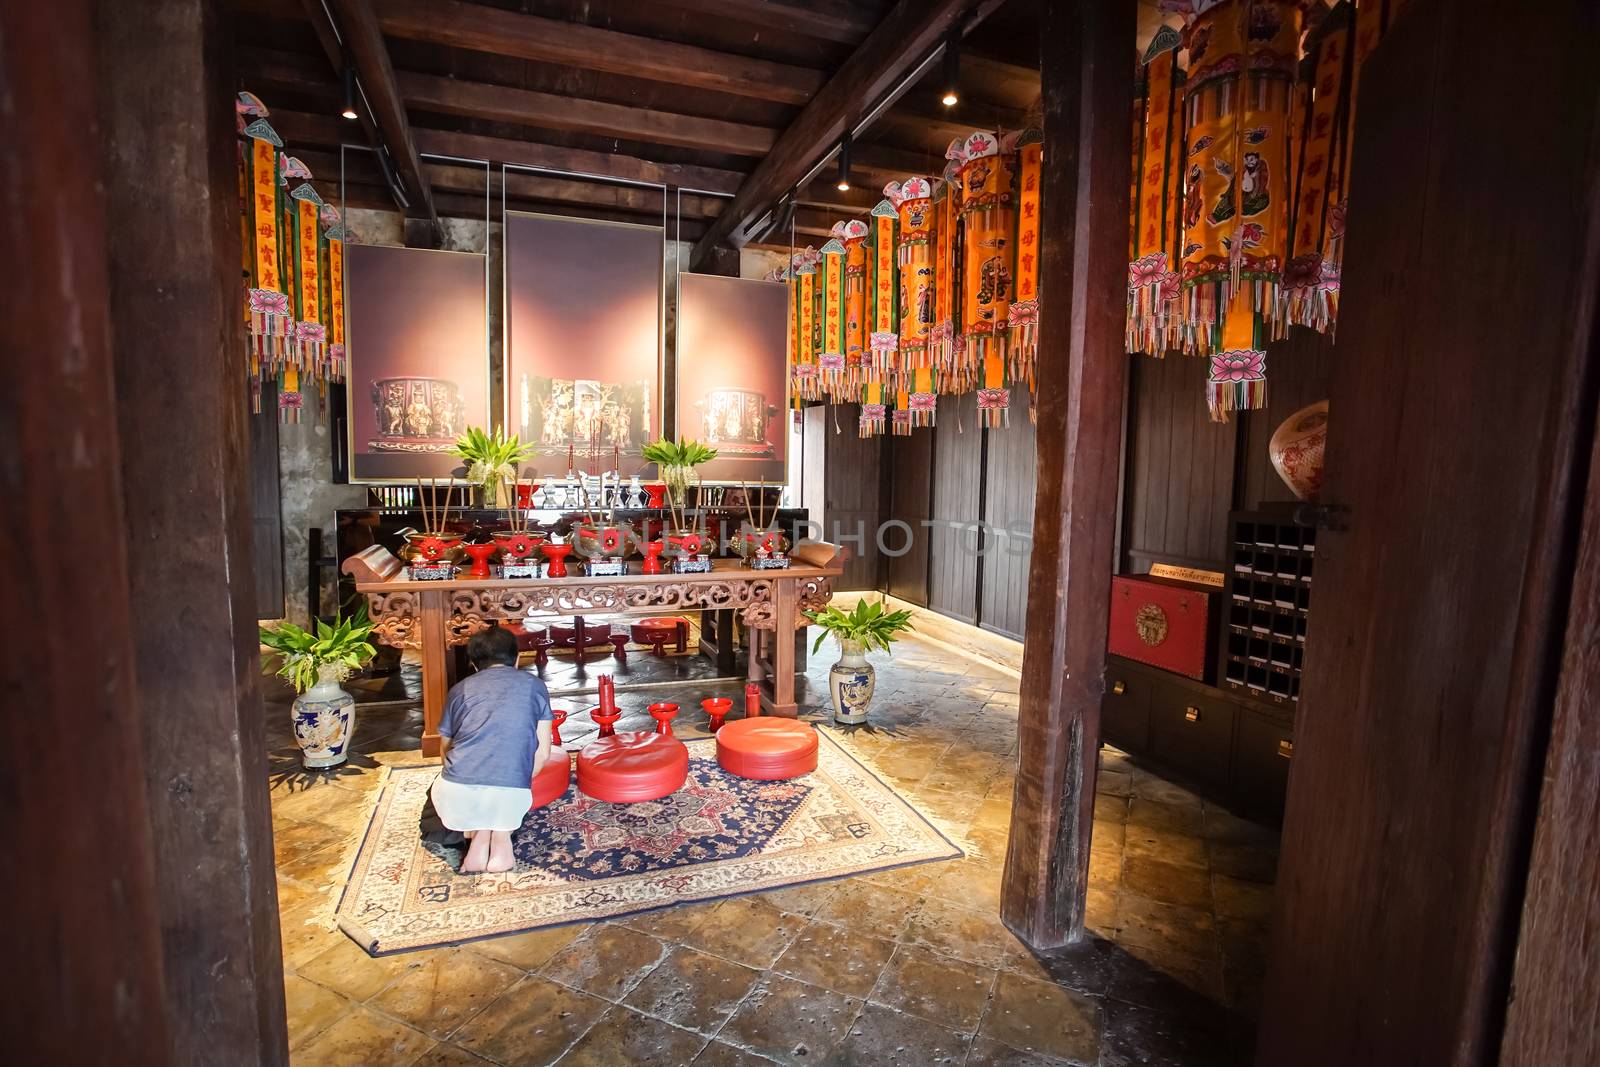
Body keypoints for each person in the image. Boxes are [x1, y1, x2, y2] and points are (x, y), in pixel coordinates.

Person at [429, 625, 553, 874]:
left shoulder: (459, 689)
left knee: (456, 793)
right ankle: (500, 840)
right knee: (503, 790)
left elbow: (445, 751)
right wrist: (514, 778)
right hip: (512, 793)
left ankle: (480, 837)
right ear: (517, 659)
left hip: (456, 796)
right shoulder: (535, 686)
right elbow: (542, 754)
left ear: (474, 665)